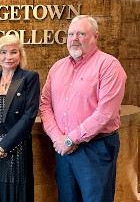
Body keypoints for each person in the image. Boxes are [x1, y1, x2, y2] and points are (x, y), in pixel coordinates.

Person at [40, 15, 127, 202]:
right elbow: (45, 104)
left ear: (95, 36)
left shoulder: (109, 66)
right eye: (71, 34)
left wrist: (70, 140)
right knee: (67, 198)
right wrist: (59, 139)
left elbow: (106, 113)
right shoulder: (57, 68)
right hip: (63, 149)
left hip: (96, 148)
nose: (75, 39)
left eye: (81, 33)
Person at [0, 34, 40, 202]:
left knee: (15, 195)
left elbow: (28, 117)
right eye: (4, 52)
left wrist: (3, 147)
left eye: (14, 52)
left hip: (16, 149)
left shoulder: (29, 78)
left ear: (21, 55)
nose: (9, 57)